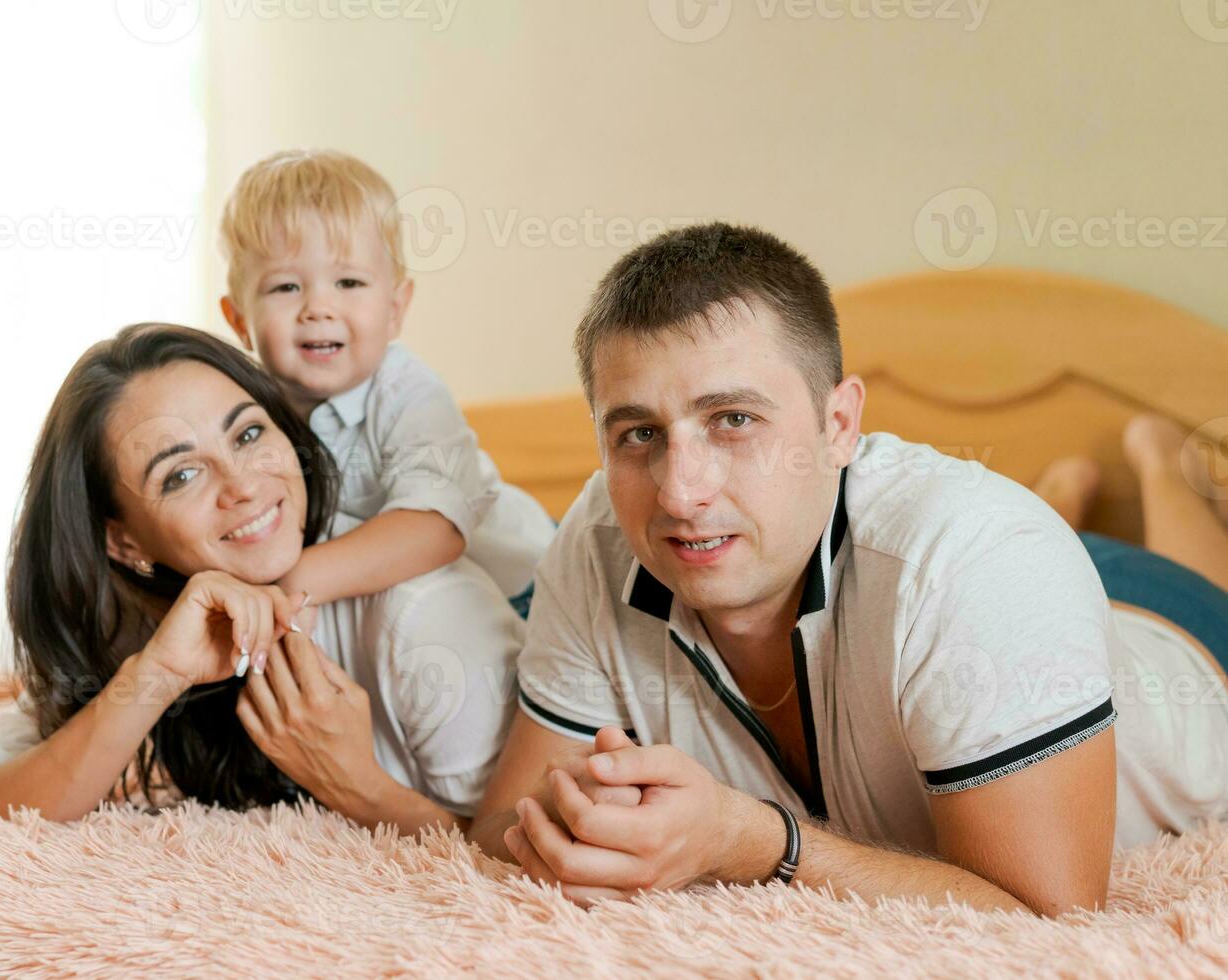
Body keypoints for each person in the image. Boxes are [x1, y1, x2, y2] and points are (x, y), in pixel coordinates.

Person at [467, 222, 1228, 916]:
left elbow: (1047, 915)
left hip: (1171, 629)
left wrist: (754, 840)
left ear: (839, 425)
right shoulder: (604, 524)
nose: (679, 491)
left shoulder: (991, 561)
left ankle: (1160, 458)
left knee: (1181, 569)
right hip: (956, 584)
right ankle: (1061, 491)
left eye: (733, 420)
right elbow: (504, 820)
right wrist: (576, 827)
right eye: (639, 433)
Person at [0, 324, 523, 834]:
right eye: (182, 474)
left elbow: (518, 857)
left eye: (248, 435)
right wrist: (158, 675)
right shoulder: (149, 626)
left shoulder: (425, 610)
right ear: (123, 540)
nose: (242, 484)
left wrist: (359, 786)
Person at [217, 149, 555, 617]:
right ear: (238, 320)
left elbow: (435, 529)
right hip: (398, 605)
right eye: (286, 287)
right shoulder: (243, 413)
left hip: (528, 591)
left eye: (349, 283)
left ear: (396, 309)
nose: (318, 308)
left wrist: (289, 583)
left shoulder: (407, 393)